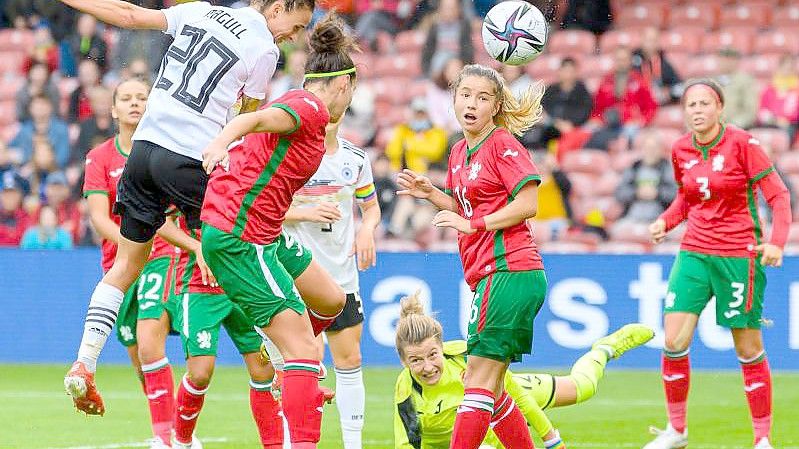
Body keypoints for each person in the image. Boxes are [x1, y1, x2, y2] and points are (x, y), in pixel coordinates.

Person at [61, 0, 314, 415]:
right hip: (191, 158)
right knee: (245, 250)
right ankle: (285, 363)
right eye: (296, 24)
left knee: (125, 265)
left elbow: (129, 15)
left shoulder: (198, 10)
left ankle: (84, 362)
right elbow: (246, 120)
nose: (293, 36)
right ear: (277, 7)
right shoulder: (264, 49)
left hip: (144, 152)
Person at [199, 13, 357, 449]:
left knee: (331, 300)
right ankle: (294, 374)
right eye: (351, 94)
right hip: (242, 235)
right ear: (344, 85)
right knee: (305, 349)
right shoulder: (309, 107)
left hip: (263, 232)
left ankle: (287, 362)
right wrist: (219, 143)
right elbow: (252, 121)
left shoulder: (311, 117)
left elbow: (268, 173)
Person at [396, 63, 549, 449]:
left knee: (476, 382)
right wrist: (432, 194)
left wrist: (474, 225)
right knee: (490, 388)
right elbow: (464, 207)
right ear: (453, 99)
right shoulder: (459, 151)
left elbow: (528, 203)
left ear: (496, 106)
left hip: (508, 269)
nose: (472, 103)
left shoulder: (502, 143)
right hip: (493, 274)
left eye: (482, 98)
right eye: (465, 95)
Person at [646, 79, 792, 449]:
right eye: (690, 105)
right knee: (673, 339)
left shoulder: (743, 144)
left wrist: (776, 242)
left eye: (704, 103)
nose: (697, 110)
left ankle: (762, 439)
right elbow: (687, 197)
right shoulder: (680, 149)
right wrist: (665, 221)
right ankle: (677, 430)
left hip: (738, 255)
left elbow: (779, 195)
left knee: (747, 349)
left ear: (719, 108)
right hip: (694, 252)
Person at [393, 292, 655, 449]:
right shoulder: (406, 389)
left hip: (508, 393)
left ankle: (605, 349)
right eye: (416, 360)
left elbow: (516, 396)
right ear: (404, 362)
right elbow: (406, 443)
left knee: (582, 388)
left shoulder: (466, 356)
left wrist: (551, 438)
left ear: (441, 347)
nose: (427, 367)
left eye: (432, 355)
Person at [81, 78, 189, 448]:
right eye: (126, 98)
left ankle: (167, 436)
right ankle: (174, 426)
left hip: (160, 258)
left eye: (142, 98)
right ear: (113, 109)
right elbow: (99, 219)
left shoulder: (164, 154)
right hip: (119, 265)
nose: (134, 104)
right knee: (139, 358)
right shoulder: (100, 158)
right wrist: (132, 243)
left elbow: (172, 215)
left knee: (149, 344)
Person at [283, 116, 381, 449]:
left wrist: (367, 229)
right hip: (296, 275)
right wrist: (305, 213)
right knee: (298, 363)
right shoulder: (287, 156)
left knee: (350, 360)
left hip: (341, 275)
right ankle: (291, 441)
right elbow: (261, 210)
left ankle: (353, 444)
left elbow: (371, 207)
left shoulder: (356, 159)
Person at [168, 217, 278, 449]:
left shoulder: (241, 191)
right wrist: (195, 246)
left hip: (241, 282)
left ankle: (274, 445)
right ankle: (182, 441)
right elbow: (162, 222)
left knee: (264, 370)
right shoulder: (185, 190)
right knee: (199, 374)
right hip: (198, 286)